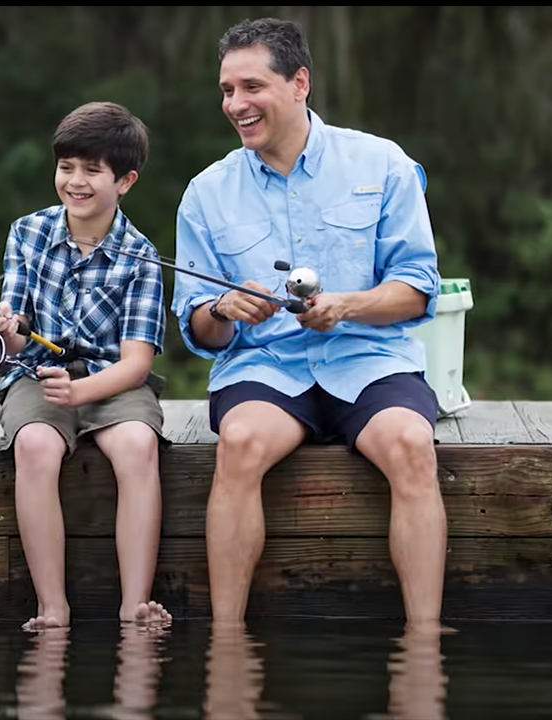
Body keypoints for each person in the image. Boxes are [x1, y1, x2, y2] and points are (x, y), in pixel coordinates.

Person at [170, 17, 448, 631]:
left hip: (370, 360)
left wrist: (347, 305)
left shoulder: (384, 164)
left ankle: (425, 645)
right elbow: (197, 328)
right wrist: (223, 308)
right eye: (226, 91)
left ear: (300, 83)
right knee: (238, 444)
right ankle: (227, 644)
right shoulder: (206, 192)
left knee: (409, 443)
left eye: (251, 87)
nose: (235, 105)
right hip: (266, 369)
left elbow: (418, 289)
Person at [0, 101, 173, 631]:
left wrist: (84, 393)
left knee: (137, 445)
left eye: (92, 170)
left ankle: (134, 605)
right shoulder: (28, 233)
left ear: (125, 181)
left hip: (114, 380)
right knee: (35, 445)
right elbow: (18, 333)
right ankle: (53, 607)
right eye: (67, 167)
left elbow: (136, 364)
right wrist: (6, 330)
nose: (76, 181)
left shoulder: (143, 257)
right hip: (38, 377)